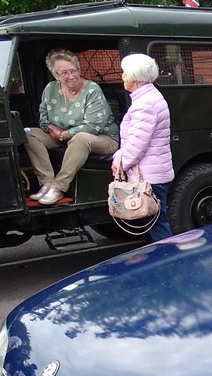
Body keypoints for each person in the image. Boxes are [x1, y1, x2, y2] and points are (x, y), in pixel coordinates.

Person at [24, 49, 119, 205]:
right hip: (63, 136)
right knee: (30, 134)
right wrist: (50, 129)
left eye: (73, 71)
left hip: (102, 138)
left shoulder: (92, 90)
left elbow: (93, 126)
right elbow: (42, 117)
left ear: (79, 69)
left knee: (81, 138)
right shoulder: (50, 89)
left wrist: (65, 134)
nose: (71, 76)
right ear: (55, 75)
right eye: (64, 73)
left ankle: (59, 187)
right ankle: (46, 183)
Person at [112, 53, 174, 242]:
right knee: (157, 221)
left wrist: (119, 162)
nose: (122, 76)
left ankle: (167, 262)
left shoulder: (144, 104)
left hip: (149, 176)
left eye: (124, 72)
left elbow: (137, 144)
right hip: (154, 172)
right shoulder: (150, 97)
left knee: (156, 224)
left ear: (135, 77)